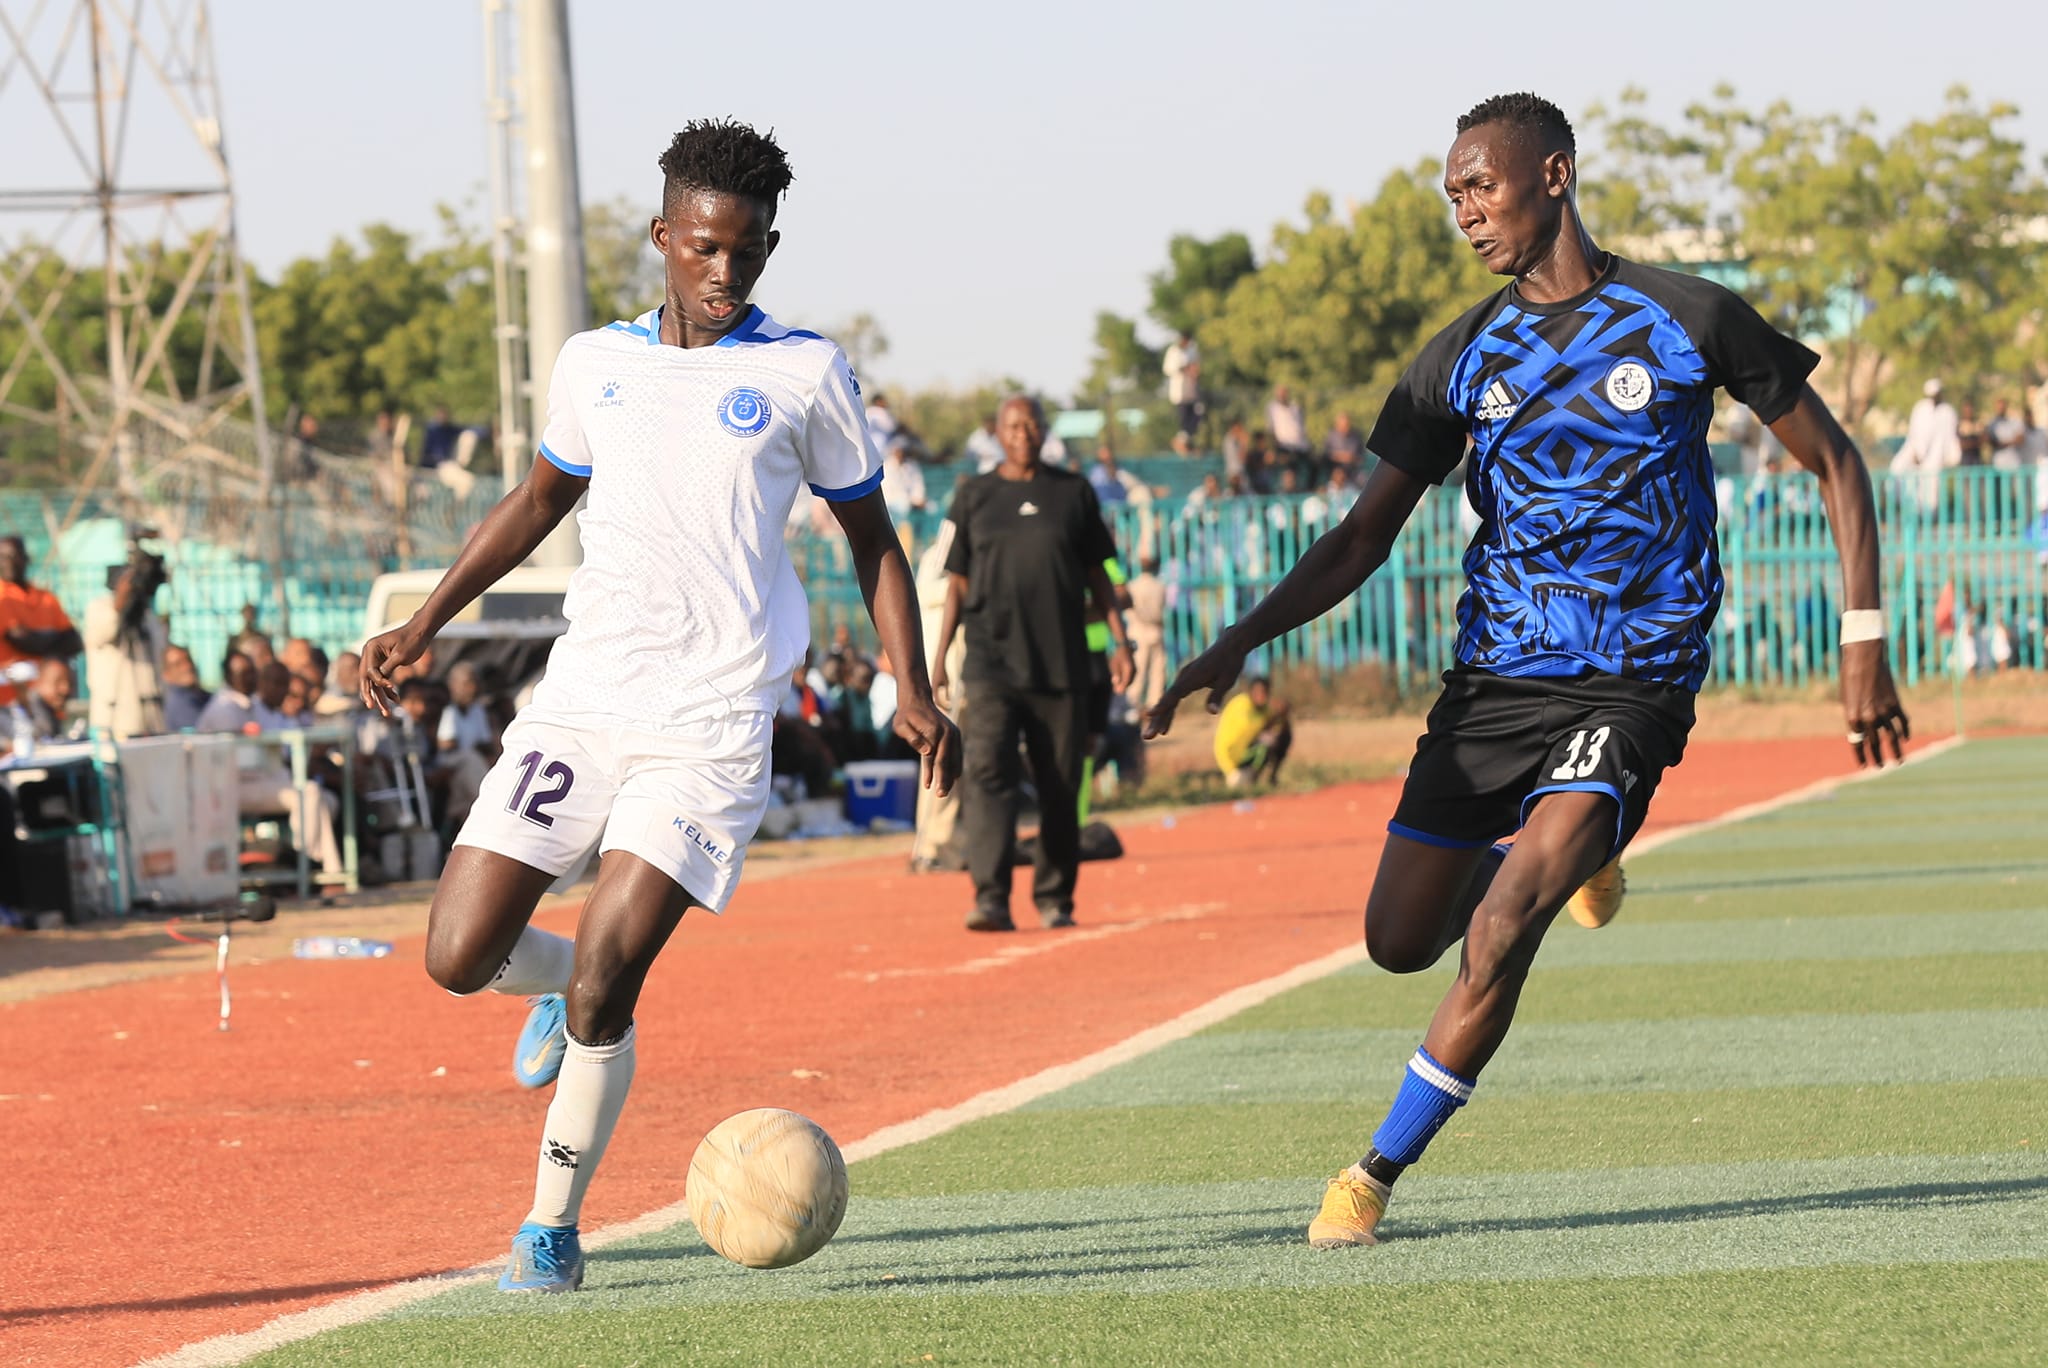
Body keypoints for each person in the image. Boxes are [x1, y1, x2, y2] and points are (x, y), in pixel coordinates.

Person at [1145, 92, 1908, 1251]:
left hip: (1633, 683)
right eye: (1451, 195)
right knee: (1399, 942)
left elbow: (1838, 465)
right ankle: (1576, 850)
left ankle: (1369, 1175)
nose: (1464, 212)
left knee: (1502, 923)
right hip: (1491, 687)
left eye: (1479, 186)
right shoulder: (1457, 358)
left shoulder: (1686, 316)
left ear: (1552, 176)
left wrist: (1863, 647)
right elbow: (1361, 536)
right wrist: (1242, 638)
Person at [356, 119, 958, 1296]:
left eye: (747, 252)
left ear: (769, 246)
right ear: (662, 238)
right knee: (456, 955)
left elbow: (873, 541)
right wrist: (423, 624)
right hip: (581, 704)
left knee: (606, 979)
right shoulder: (594, 363)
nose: (724, 274)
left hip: (714, 725)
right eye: (703, 249)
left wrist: (912, 686)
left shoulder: (803, 373)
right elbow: (536, 502)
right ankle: (560, 995)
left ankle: (548, 1227)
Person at [931, 394, 1133, 932]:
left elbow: (1100, 578)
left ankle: (1054, 898)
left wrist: (1121, 642)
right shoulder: (975, 495)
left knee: (1060, 784)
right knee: (988, 774)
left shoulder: (1073, 492)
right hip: (992, 667)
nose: (1024, 433)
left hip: (1062, 666)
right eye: (1014, 425)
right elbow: (957, 586)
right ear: (997, 432)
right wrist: (939, 661)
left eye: (1033, 425)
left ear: (1045, 432)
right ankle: (991, 896)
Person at [84, 547, 168, 740]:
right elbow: (101, 634)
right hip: (116, 718)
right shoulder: (100, 608)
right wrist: (120, 604)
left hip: (150, 717)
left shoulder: (147, 615)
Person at [0, 536, 81, 710]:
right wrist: (54, 637)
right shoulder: (3, 597)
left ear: (25, 558)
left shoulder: (46, 598)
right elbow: (21, 640)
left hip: (49, 699)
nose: (9, 563)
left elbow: (74, 640)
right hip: (10, 701)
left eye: (14, 556)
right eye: (3, 557)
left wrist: (37, 639)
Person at [1891, 379, 1960, 514]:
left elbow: (1951, 436)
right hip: (1915, 454)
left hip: (1936, 458)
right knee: (1897, 470)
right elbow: (1914, 434)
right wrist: (1915, 453)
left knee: (1931, 489)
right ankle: (1908, 511)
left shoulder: (1948, 411)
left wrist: (1952, 457)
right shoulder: (1920, 409)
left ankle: (1928, 517)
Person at [1212, 676, 1290, 788]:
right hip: (1232, 757)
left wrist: (1281, 714)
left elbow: (1273, 719)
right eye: (1258, 692)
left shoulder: (1262, 709)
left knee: (1283, 735)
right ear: (1251, 692)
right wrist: (1275, 713)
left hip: (1246, 751)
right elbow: (1253, 726)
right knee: (1266, 742)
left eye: (1264, 692)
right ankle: (1244, 777)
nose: (1261, 696)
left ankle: (1269, 777)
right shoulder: (1242, 706)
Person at [1125, 555, 1168, 713]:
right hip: (1155, 630)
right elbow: (1162, 608)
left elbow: (1128, 609)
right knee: (1157, 671)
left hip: (1137, 630)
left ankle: (1132, 705)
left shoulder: (1132, 586)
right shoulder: (1159, 586)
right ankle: (1154, 705)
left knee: (1139, 669)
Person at [1163, 331, 1202, 455]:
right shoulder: (1173, 351)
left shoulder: (1192, 351)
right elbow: (1168, 369)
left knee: (1197, 413)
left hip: (1191, 390)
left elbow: (1196, 366)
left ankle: (1183, 442)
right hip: (1179, 392)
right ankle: (1183, 443)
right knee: (1184, 419)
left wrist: (1193, 371)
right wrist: (1184, 368)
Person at [24, 658, 80, 741]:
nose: (66, 689)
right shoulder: (17, 720)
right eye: (58, 682)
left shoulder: (53, 715)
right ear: (39, 683)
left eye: (70, 682)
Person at [160, 644, 211, 731]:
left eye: (188, 660)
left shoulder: (200, 696)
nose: (187, 667)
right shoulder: (180, 705)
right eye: (178, 664)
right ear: (167, 675)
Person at [1267, 384, 1311, 477]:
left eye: (1284, 393)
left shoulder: (1295, 408)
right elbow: (1271, 430)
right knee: (1290, 462)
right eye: (1280, 393)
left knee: (1314, 462)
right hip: (1283, 446)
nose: (1282, 395)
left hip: (1299, 445)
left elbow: (1301, 428)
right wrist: (1272, 448)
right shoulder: (1273, 408)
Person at [1323, 411, 1365, 487]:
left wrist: (1352, 458)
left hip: (1353, 471)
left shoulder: (1356, 437)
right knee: (1338, 475)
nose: (1345, 428)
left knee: (1363, 479)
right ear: (1337, 425)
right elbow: (1326, 456)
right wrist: (1341, 457)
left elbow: (1361, 458)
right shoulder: (1331, 437)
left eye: (1347, 425)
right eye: (1342, 425)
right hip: (1336, 469)